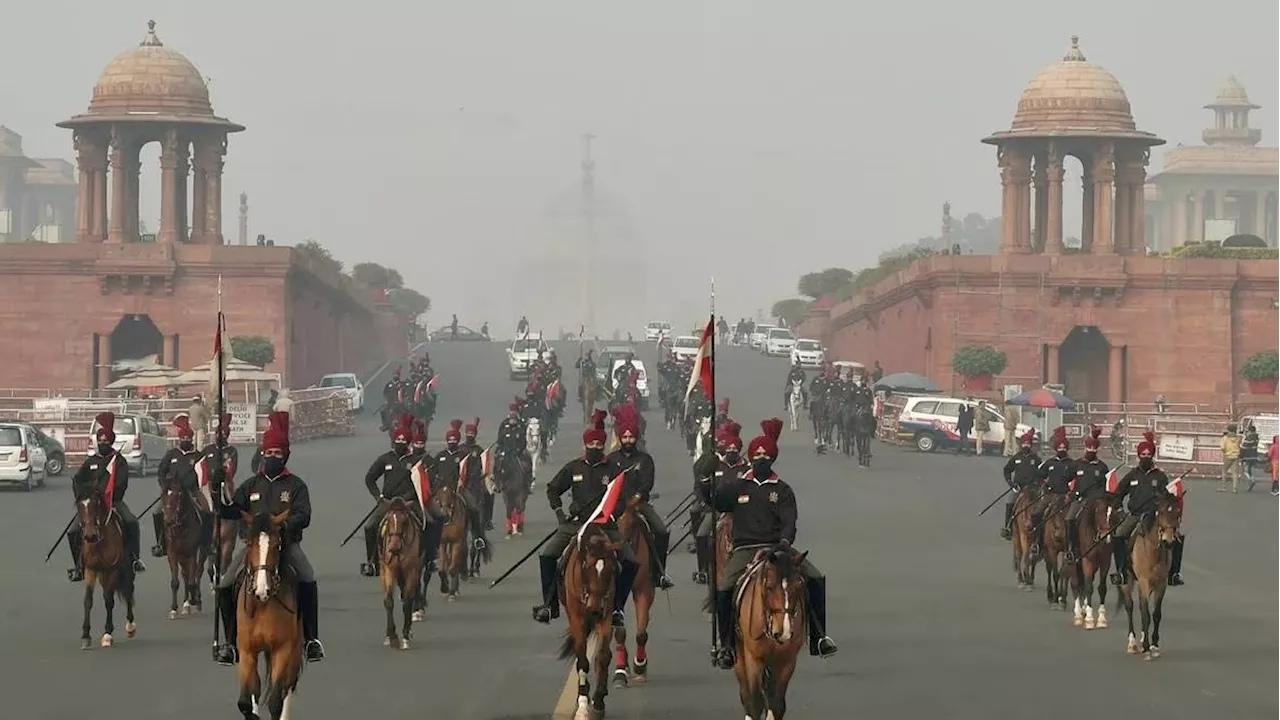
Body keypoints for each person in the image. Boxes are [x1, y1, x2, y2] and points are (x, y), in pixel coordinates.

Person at [709, 418, 837, 669]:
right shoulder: (738, 486)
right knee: (723, 588)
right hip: (745, 549)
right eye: (756, 455)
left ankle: (819, 638)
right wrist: (708, 476)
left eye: (765, 456)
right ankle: (725, 644)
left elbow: (790, 521)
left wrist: (784, 543)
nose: (760, 459)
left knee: (815, 578)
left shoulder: (783, 489)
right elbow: (718, 503)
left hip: (778, 548)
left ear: (772, 459)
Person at [213, 411, 326, 665]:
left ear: (284, 455)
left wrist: (284, 526)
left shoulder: (296, 485)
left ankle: (311, 640)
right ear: (262, 454)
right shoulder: (251, 485)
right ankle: (230, 643)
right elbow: (230, 510)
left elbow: (304, 514)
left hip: (285, 544)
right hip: (254, 547)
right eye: (268, 453)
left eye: (277, 453)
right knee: (224, 583)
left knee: (308, 576)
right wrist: (216, 489)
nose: (272, 457)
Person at [532, 411, 638, 625]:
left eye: (599, 445)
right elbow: (553, 489)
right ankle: (549, 604)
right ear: (585, 445)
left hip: (604, 525)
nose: (595, 448)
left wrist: (610, 514)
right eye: (592, 444)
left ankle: (618, 607)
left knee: (631, 561)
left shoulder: (614, 469)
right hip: (577, 524)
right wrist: (560, 513)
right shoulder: (574, 467)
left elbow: (621, 498)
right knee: (547, 555)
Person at [68, 412, 147, 580]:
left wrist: (109, 495)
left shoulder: (118, 461)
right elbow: (78, 480)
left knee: (132, 521)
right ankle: (78, 566)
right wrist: (84, 495)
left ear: (111, 441)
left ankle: (134, 559)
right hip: (92, 505)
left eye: (106, 441)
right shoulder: (91, 461)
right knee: (73, 530)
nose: (103, 443)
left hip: (113, 502)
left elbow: (122, 483)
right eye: (100, 440)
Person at [607, 404, 674, 590]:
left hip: (639, 503)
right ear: (620, 439)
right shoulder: (611, 459)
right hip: (616, 505)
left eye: (631, 437)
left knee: (661, 530)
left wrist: (637, 497)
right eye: (625, 437)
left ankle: (659, 573)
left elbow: (647, 482)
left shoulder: (645, 459)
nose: (628, 440)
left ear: (636, 438)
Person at [1109, 431, 1186, 587]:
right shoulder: (1131, 476)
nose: (1145, 456)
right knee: (1118, 535)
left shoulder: (1160, 476)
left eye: (1148, 454)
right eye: (1143, 454)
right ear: (1138, 455)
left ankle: (1174, 574)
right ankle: (1121, 571)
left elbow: (1166, 497)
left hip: (1155, 516)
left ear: (1152, 456)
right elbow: (1118, 494)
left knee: (1177, 538)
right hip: (1135, 515)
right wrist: (1118, 509)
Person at [360, 414, 419, 576]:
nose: (399, 443)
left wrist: (408, 499)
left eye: (403, 441)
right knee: (370, 527)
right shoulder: (385, 459)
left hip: (408, 503)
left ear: (408, 443)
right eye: (397, 441)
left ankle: (429, 558)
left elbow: (419, 485)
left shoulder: (415, 461)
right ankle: (372, 562)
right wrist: (378, 497)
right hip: (387, 503)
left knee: (429, 522)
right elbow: (370, 478)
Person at [691, 421, 745, 584]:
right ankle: (703, 570)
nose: (731, 451)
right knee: (702, 534)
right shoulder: (715, 465)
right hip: (716, 508)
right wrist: (703, 500)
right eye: (728, 449)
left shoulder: (746, 468)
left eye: (734, 449)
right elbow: (701, 482)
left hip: (738, 511)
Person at [151, 415, 211, 557]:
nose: (185, 441)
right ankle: (161, 543)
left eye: (188, 439)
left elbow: (200, 474)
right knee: (157, 512)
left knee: (207, 512)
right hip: (172, 492)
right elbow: (161, 471)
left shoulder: (197, 456)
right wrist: (165, 485)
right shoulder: (171, 454)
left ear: (191, 439)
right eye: (183, 439)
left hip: (192, 491)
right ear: (179, 439)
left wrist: (188, 484)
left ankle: (207, 543)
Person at [433, 419, 489, 551]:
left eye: (454, 440)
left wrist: (464, 482)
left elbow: (471, 471)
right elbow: (432, 473)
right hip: (442, 491)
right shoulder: (440, 456)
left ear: (457, 441)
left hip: (460, 489)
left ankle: (477, 538)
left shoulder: (464, 455)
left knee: (474, 508)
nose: (451, 442)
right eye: (449, 440)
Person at [1065, 425, 1108, 561]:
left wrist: (1100, 498)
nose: (1091, 451)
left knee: (1107, 521)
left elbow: (1104, 486)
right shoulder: (1077, 464)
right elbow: (1066, 479)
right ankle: (1072, 548)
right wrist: (1071, 493)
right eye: (1089, 448)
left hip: (1096, 502)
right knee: (1069, 519)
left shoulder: (1102, 467)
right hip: (1080, 500)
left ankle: (1106, 548)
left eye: (1094, 449)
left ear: (1097, 449)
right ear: (1085, 448)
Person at [1000, 429, 1040, 540]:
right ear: (1021, 444)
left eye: (1028, 444)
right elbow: (1007, 470)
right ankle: (1008, 527)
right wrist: (1010, 483)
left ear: (1030, 445)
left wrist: (1037, 482)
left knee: (1039, 506)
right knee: (1010, 503)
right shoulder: (1016, 457)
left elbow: (1041, 473)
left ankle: (1039, 529)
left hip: (1032, 489)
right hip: (1018, 488)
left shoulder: (1036, 458)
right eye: (1024, 443)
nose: (1026, 445)